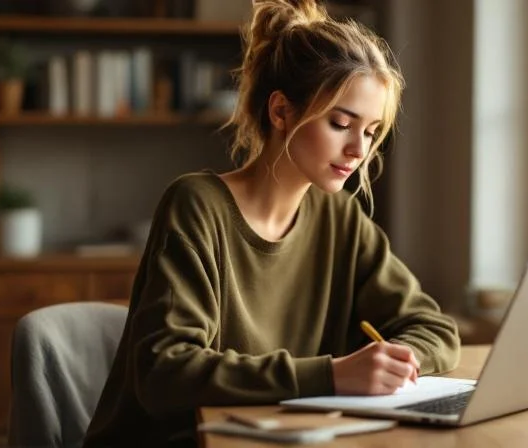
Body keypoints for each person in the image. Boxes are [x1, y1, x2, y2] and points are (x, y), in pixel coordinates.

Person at [83, 0, 461, 446]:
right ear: (280, 112)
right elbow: (166, 370)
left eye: (372, 131)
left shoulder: (339, 217)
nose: (359, 150)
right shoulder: (196, 206)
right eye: (342, 123)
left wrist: (394, 363)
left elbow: (437, 330)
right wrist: (332, 375)